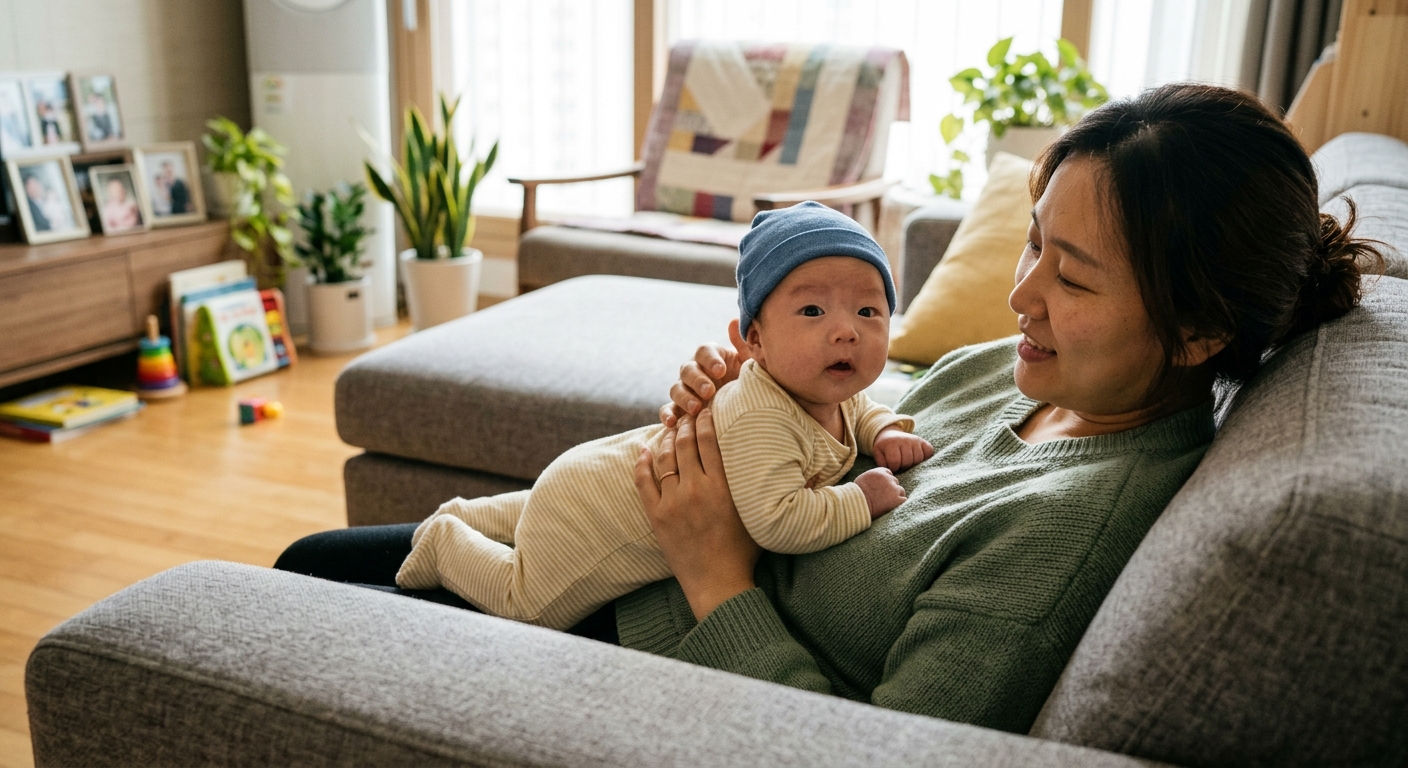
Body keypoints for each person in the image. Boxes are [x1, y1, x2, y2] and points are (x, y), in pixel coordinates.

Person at [274, 84, 1382, 733]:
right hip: (636, 555)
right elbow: (868, 412)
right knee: (317, 553)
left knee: (307, 586)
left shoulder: (1059, 538)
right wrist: (760, 402)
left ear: (1197, 335)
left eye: (1073, 277)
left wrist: (715, 573)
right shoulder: (1035, 373)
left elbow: (870, 748)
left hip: (646, 646)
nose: (1021, 292)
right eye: (1033, 240)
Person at [394, 202, 932, 630]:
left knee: (539, 512)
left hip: (591, 478)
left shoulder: (821, 389)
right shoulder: (763, 416)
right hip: (599, 522)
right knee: (529, 602)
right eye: (812, 310)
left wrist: (882, 429)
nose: (846, 331)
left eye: (868, 310)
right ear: (755, 341)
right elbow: (780, 520)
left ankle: (474, 512)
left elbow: (859, 406)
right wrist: (860, 499)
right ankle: (446, 540)